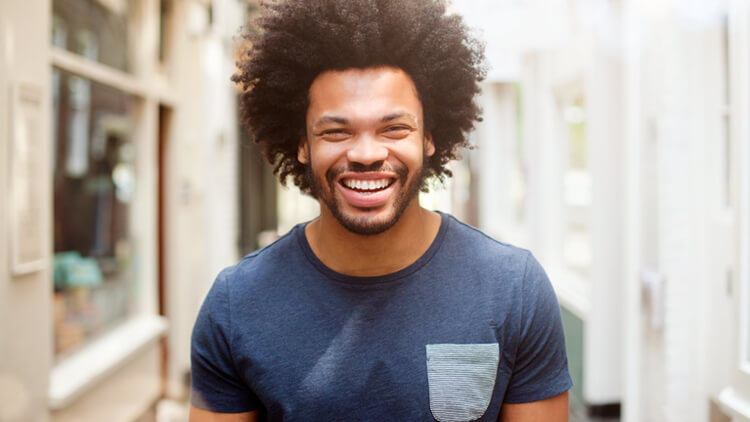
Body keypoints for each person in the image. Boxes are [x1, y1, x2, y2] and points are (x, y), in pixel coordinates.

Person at [189, 0, 572, 421]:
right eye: (336, 131)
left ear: (429, 137)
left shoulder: (513, 290)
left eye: (394, 128)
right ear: (302, 145)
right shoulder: (238, 304)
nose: (367, 153)